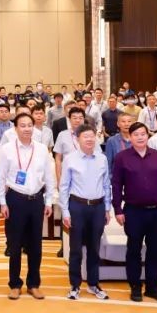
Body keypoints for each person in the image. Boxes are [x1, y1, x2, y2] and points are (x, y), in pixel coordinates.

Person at [0, 112, 55, 300]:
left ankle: (33, 284)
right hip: (15, 199)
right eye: (22, 125)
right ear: (15, 128)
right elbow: (0, 177)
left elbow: (49, 176)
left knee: (36, 245)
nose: (27, 129)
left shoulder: (42, 149)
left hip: (36, 199)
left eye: (30, 125)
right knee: (15, 245)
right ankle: (15, 284)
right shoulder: (6, 149)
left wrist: (48, 200)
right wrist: (2, 202)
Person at [112, 122, 157, 303]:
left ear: (148, 136)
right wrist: (117, 209)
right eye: (136, 134)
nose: (140, 137)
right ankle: (135, 286)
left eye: (143, 134)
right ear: (130, 137)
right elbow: (116, 185)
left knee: (154, 251)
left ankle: (153, 287)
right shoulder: (122, 157)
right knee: (134, 250)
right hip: (133, 212)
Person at [59, 125, 112, 300]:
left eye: (92, 136)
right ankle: (75, 285)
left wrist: (107, 208)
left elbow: (106, 185)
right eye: (85, 136)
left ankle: (93, 284)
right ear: (77, 139)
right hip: (77, 206)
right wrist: (65, 211)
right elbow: (64, 186)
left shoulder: (102, 159)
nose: (89, 139)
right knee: (75, 249)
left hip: (98, 207)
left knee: (94, 248)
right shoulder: (70, 159)